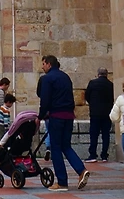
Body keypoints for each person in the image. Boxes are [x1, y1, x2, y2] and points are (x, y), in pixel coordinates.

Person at [37, 54, 89, 190]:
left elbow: (45, 100)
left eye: (43, 64)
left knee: (55, 147)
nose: (42, 67)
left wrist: (40, 116)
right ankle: (81, 170)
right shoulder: (66, 77)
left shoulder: (47, 79)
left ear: (49, 64)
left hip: (56, 116)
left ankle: (62, 182)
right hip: (68, 115)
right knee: (66, 146)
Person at [84, 67, 114, 163]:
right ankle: (104, 155)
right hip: (107, 113)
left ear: (98, 74)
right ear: (107, 74)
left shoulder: (92, 83)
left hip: (95, 113)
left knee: (94, 134)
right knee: (106, 134)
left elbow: (87, 96)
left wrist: (93, 104)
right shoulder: (111, 85)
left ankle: (93, 154)